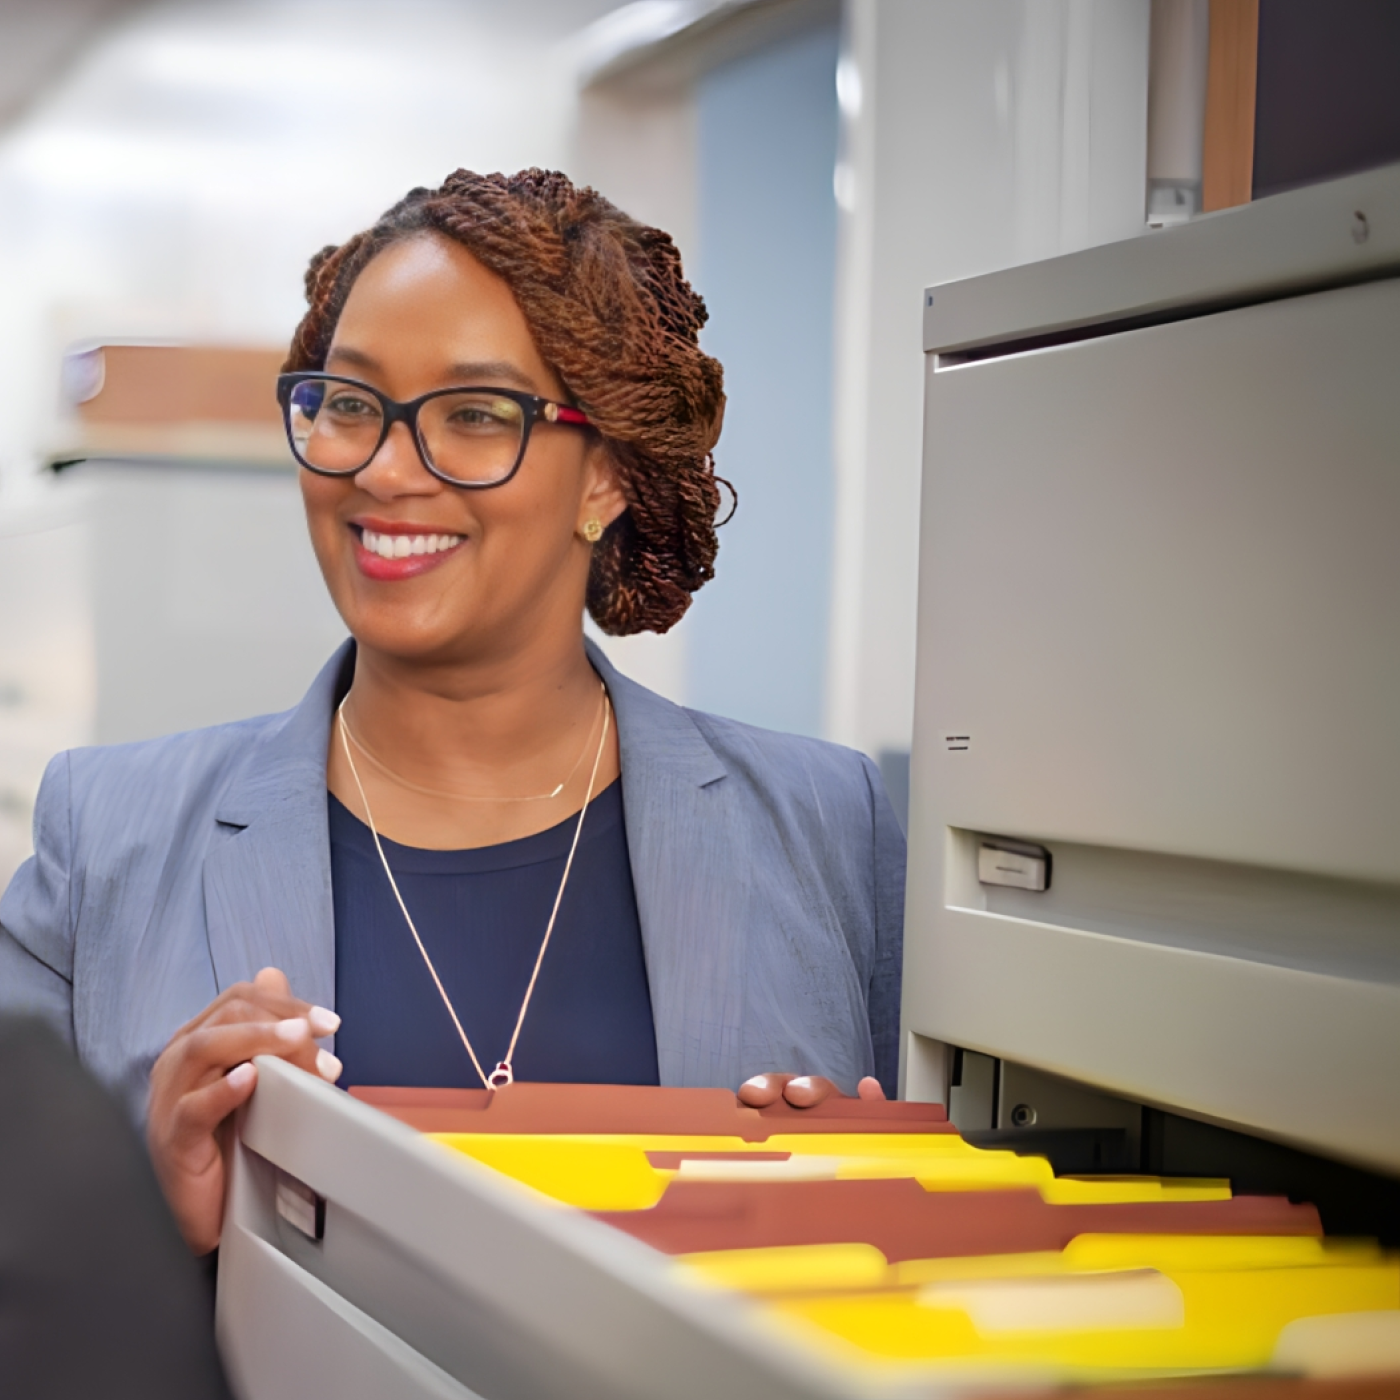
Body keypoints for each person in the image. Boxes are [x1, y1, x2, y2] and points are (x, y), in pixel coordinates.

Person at [0, 169, 905, 1256]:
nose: (383, 469)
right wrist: (138, 1217)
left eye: (474, 414)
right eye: (346, 404)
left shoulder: (827, 825)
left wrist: (870, 1213)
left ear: (606, 475)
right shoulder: (106, 835)